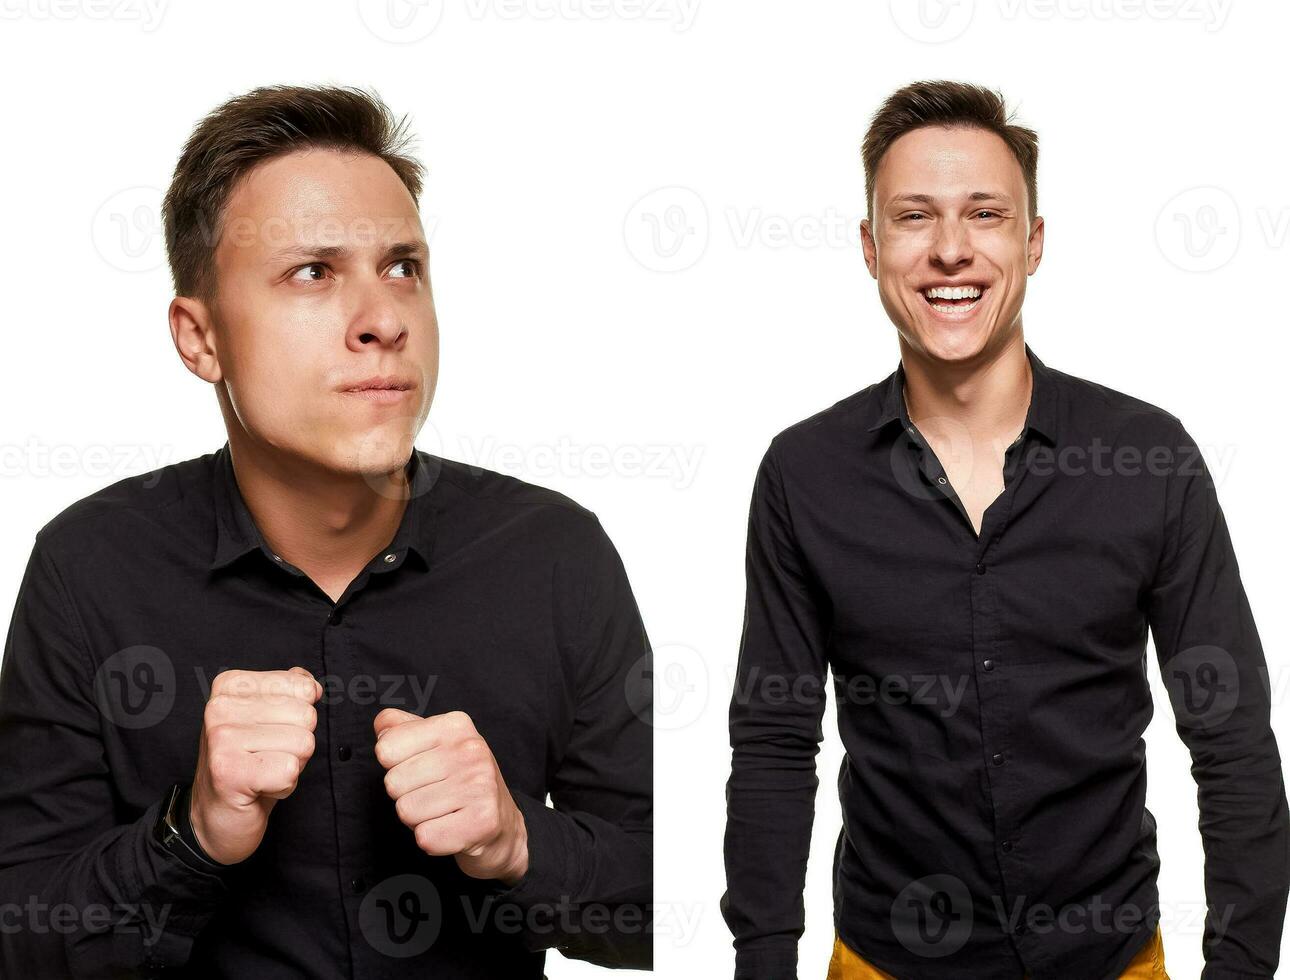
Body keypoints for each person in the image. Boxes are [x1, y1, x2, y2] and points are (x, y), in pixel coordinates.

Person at [0, 84, 652, 978]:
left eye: (402, 267)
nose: (384, 320)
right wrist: (188, 837)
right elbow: (21, 942)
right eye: (312, 272)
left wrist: (515, 841)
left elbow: (668, 910)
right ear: (200, 339)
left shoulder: (555, 553)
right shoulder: (88, 567)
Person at [720, 79, 1287, 979]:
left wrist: (1243, 967)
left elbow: (1230, 738)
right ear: (871, 249)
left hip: (1111, 960)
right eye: (914, 217)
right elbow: (775, 741)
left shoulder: (1149, 458)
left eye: (984, 214)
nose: (951, 250)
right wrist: (762, 960)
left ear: (1033, 242)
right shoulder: (804, 475)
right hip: (883, 961)